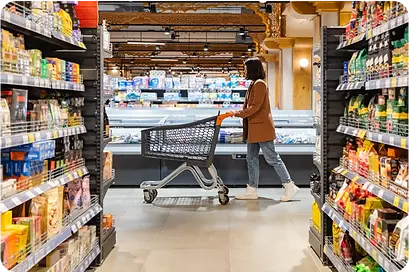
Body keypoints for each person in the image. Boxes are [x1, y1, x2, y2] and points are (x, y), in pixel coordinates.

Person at [232, 57, 299, 201]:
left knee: (272, 158)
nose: (244, 70)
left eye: (246, 68)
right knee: (251, 158)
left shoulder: (259, 84)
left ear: (252, 69)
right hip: (254, 128)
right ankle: (252, 189)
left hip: (261, 128)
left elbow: (255, 107)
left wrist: (237, 113)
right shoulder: (254, 84)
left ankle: (289, 185)